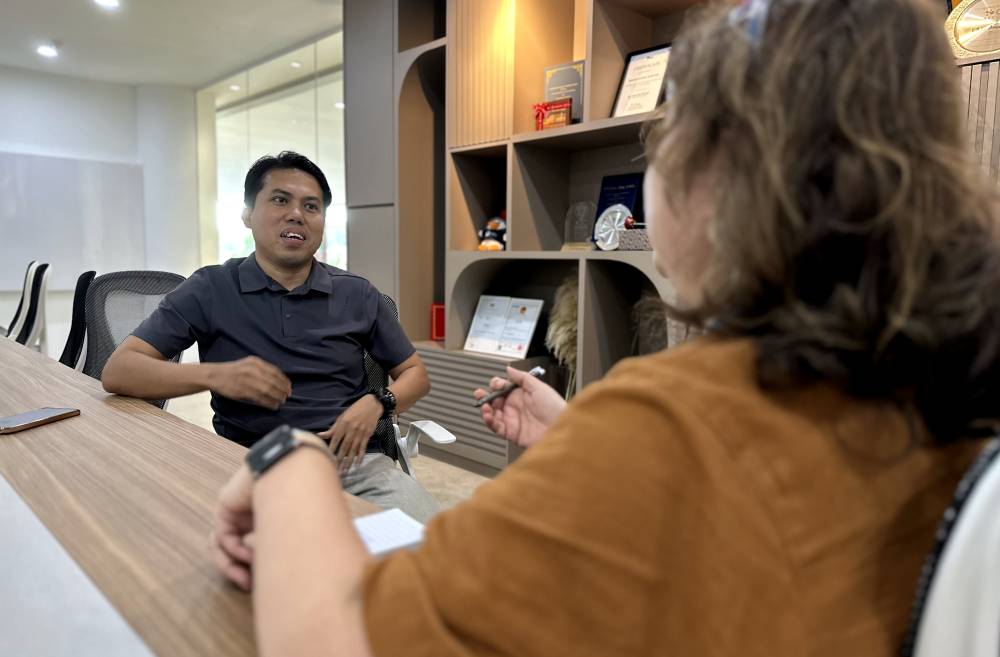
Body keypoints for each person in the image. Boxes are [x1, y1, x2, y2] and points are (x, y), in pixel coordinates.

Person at [210, 1, 1000, 655]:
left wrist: (290, 457)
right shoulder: (939, 381)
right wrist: (585, 437)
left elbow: (339, 636)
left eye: (662, 140)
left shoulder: (681, 414)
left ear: (714, 174)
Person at [102, 151, 440, 521]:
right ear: (248, 215)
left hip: (353, 466)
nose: (296, 214)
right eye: (280, 200)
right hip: (250, 463)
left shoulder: (357, 293)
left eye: (311, 206)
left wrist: (379, 403)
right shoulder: (211, 288)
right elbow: (119, 371)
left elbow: (416, 374)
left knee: (435, 543)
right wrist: (216, 375)